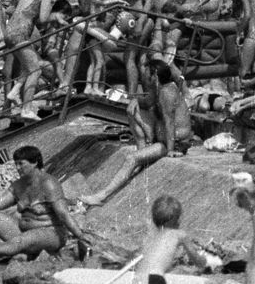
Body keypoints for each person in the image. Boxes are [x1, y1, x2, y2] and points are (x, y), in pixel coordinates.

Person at [79, 64, 192, 207]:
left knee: (131, 158)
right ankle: (142, 150)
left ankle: (101, 196)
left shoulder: (167, 93)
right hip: (162, 135)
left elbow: (169, 123)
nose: (145, 77)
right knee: (132, 110)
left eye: (148, 75)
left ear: (155, 77)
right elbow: (147, 102)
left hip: (174, 143)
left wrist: (170, 150)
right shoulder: (158, 89)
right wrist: (134, 100)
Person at [0, 145, 92, 261]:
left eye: (21, 164)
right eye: (16, 164)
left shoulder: (49, 184)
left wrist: (80, 235)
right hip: (22, 233)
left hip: (51, 233)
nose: (17, 168)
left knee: (25, 239)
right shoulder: (18, 185)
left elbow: (63, 214)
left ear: (34, 162)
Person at [131, 195, 221, 284]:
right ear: (177, 218)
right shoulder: (179, 234)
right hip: (153, 281)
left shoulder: (151, 237)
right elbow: (198, 262)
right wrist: (211, 261)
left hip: (136, 283)